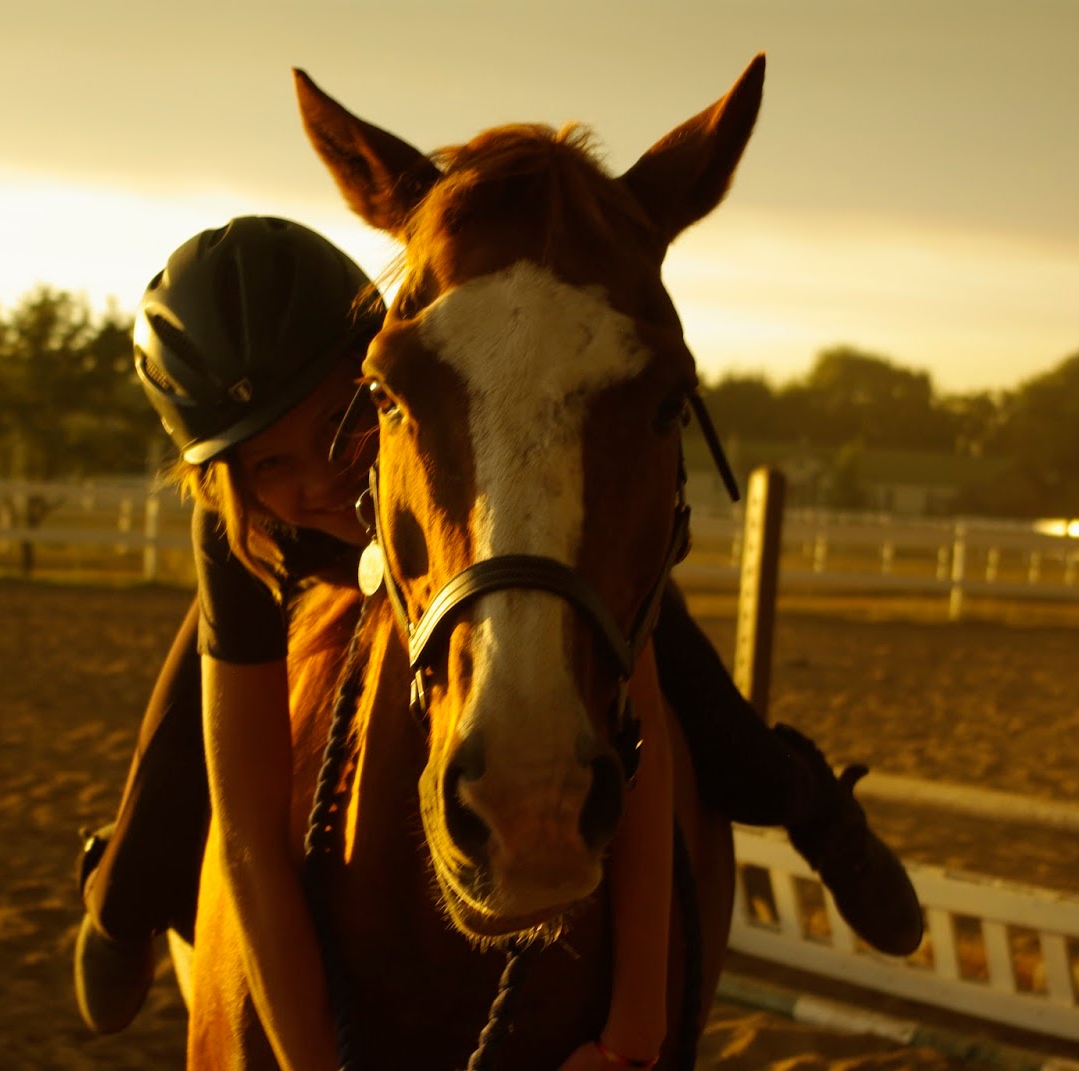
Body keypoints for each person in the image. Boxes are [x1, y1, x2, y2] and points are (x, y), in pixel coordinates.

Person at [74, 216, 923, 1067]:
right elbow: (252, 830)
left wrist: (632, 1034)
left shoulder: (443, 432)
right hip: (310, 571)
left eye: (337, 422)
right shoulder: (243, 526)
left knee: (712, 722)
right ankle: (119, 898)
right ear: (228, 478)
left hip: (457, 556)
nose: (319, 474)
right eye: (269, 464)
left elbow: (646, 746)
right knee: (182, 743)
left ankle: (813, 803)